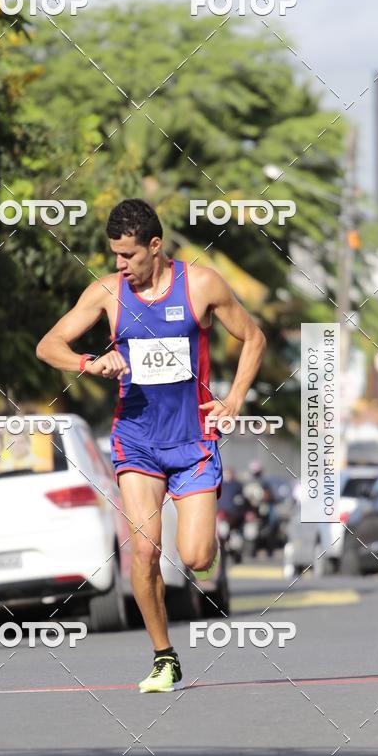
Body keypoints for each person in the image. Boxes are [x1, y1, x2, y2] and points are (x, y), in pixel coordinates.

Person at [36, 199, 266, 692]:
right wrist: (89, 363)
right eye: (114, 255)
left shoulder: (201, 285)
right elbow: (48, 344)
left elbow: (253, 338)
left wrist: (236, 399)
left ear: (155, 247)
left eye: (129, 256)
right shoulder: (107, 294)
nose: (120, 265)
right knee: (143, 552)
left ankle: (208, 545)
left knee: (197, 557)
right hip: (136, 440)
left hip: (193, 440)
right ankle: (165, 656)